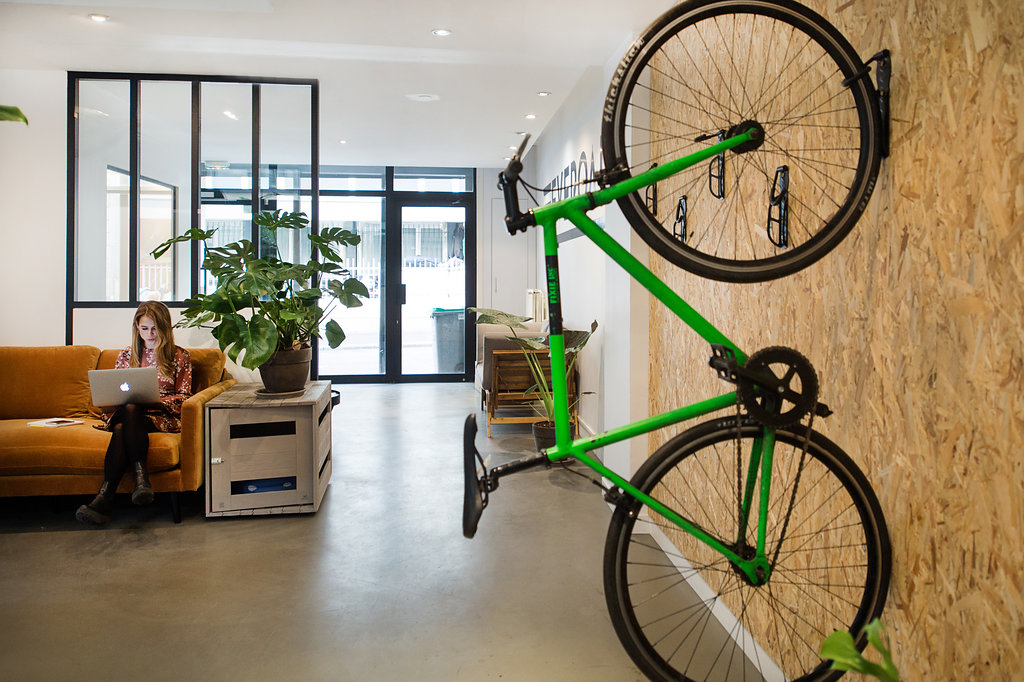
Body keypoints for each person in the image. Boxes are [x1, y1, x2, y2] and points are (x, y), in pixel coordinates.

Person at [76, 301, 193, 526]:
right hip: (125, 413)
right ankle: (141, 481)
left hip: (158, 416)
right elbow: (115, 390)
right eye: (144, 328)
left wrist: (156, 400)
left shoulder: (180, 357)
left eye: (155, 328)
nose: (150, 334)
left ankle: (103, 499)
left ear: (165, 327)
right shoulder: (126, 355)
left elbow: (185, 397)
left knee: (122, 427)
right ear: (137, 329)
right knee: (130, 407)